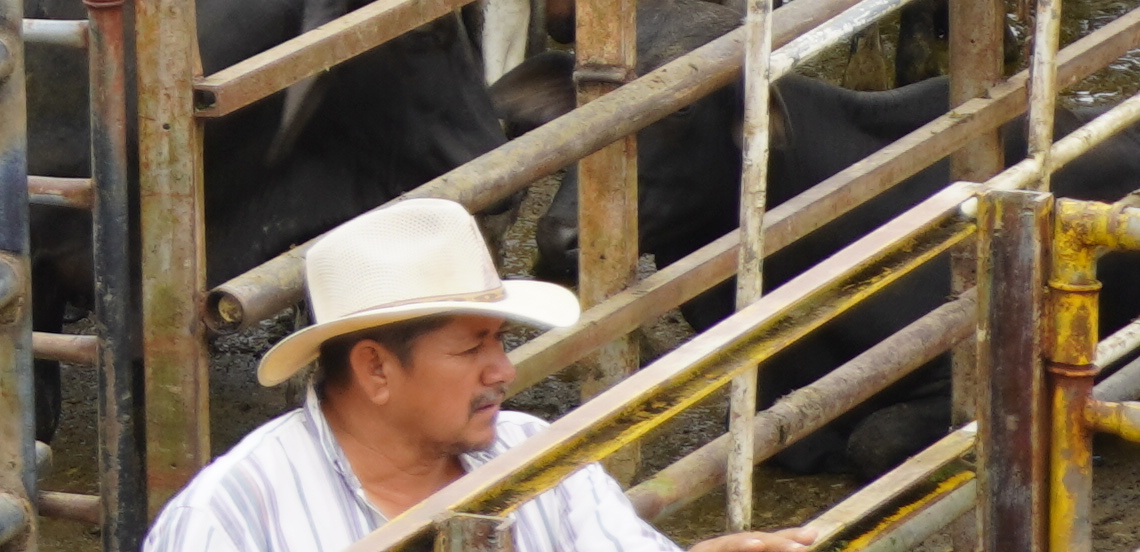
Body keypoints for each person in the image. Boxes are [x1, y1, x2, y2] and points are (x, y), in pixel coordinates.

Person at [153, 196, 802, 552]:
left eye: (500, 341)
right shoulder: (232, 520)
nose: (503, 370)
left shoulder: (539, 459)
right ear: (375, 368)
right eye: (471, 350)